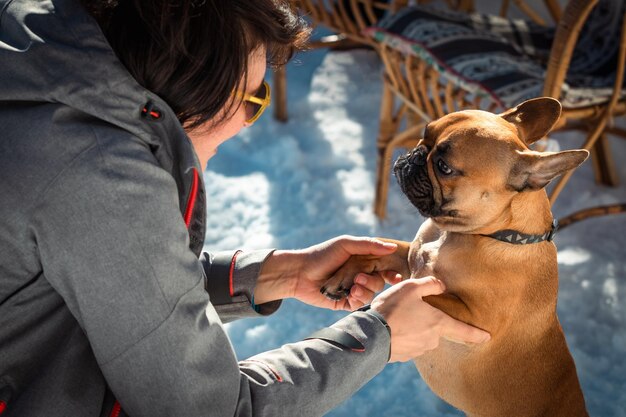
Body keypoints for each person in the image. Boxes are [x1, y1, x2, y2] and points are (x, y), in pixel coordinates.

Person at [0, 0, 490, 416]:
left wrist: (277, 274)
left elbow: (110, 281)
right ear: (192, 86)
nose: (251, 119)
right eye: (251, 100)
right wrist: (378, 338)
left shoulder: (40, 63)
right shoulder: (103, 174)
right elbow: (211, 408)